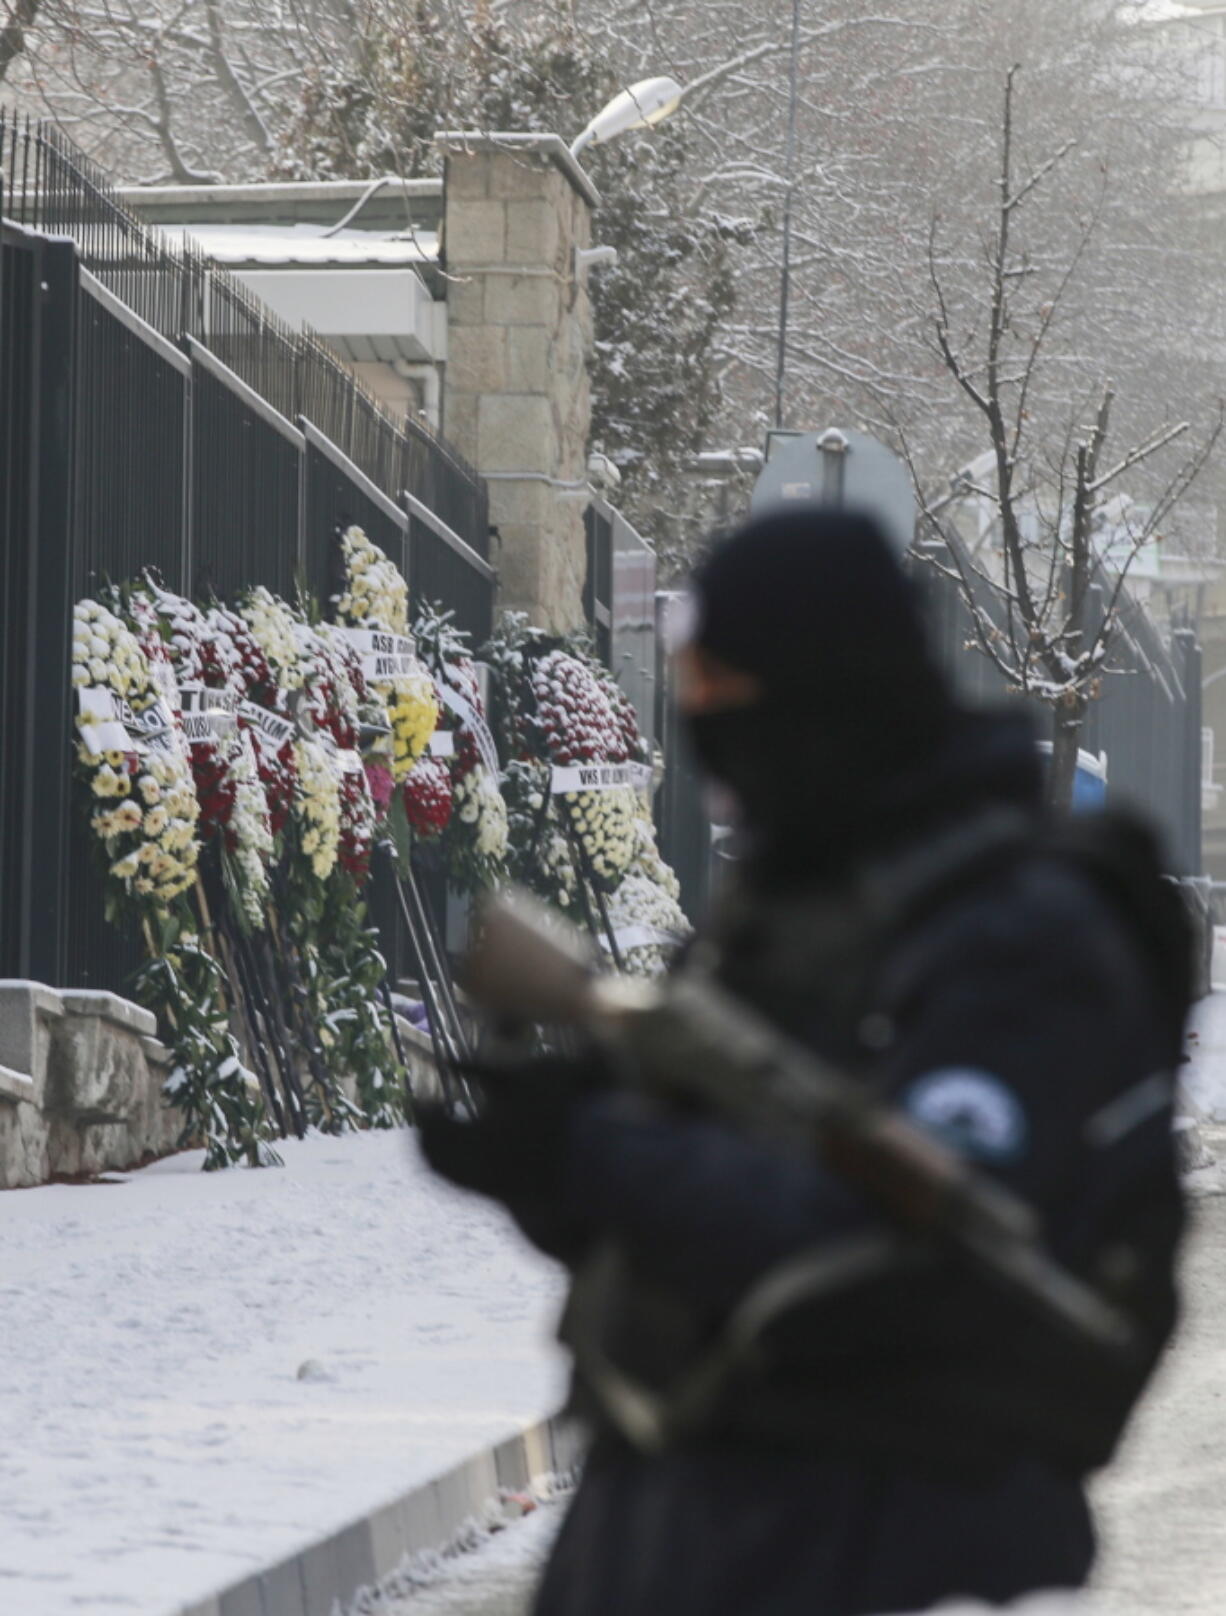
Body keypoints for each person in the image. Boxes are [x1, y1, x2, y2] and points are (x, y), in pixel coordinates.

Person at [420, 507, 1190, 1615]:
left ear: (830, 692)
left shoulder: (1017, 934)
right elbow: (694, 1214)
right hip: (691, 1527)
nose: (711, 741)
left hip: (902, 1548)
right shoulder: (792, 903)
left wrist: (595, 1149)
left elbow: (909, 1235)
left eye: (730, 699)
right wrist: (547, 1144)